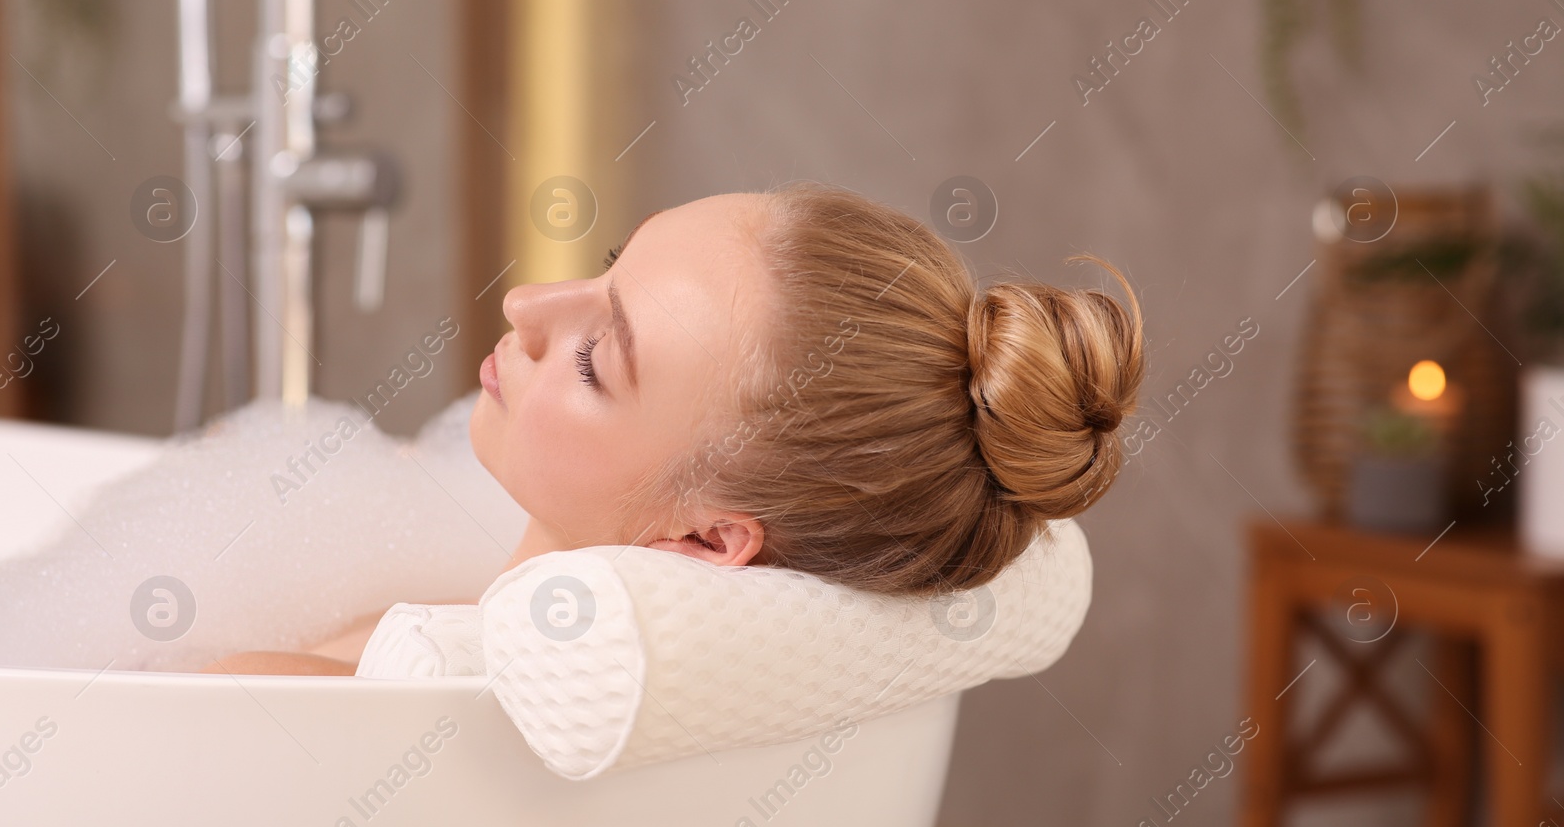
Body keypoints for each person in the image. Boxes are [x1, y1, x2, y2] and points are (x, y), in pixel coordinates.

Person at [207, 183, 1144, 676]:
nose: (526, 302)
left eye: (593, 360)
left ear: (706, 538)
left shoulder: (269, 697)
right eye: (609, 268)